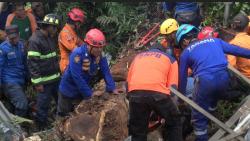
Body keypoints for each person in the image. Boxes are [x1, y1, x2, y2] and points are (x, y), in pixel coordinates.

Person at [176, 24, 250, 141]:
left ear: (184, 41)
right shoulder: (215, 41)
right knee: (212, 98)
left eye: (180, 45)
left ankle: (202, 136)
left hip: (205, 82)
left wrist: (180, 101)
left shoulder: (185, 53)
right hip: (225, 78)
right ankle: (211, 117)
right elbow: (238, 51)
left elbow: (182, 78)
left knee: (198, 117)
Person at [57, 28, 122, 117]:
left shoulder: (99, 54)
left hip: (81, 91)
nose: (99, 50)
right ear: (88, 45)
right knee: (63, 117)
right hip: (68, 91)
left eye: (101, 47)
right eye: (97, 48)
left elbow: (105, 70)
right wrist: (90, 94)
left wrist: (111, 87)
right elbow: (77, 77)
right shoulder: (77, 54)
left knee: (80, 116)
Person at [126, 43, 182, 141]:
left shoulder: (137, 58)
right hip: (158, 94)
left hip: (135, 93)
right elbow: (172, 89)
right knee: (174, 122)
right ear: (163, 51)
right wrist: (169, 110)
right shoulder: (170, 59)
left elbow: (128, 84)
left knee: (138, 131)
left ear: (149, 50)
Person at [27, 14, 60, 130]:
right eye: (54, 27)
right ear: (48, 26)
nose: (56, 30)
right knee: (42, 107)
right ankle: (42, 129)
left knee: (61, 101)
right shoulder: (35, 40)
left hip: (55, 78)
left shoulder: (50, 37)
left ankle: (60, 124)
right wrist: (38, 83)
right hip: (44, 82)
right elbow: (33, 64)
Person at [0, 25, 29, 117]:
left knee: (12, 106)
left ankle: (12, 128)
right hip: (9, 81)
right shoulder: (3, 48)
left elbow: (25, 62)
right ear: (7, 37)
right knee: (22, 105)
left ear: (19, 35)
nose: (13, 40)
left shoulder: (22, 45)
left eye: (15, 38)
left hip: (21, 80)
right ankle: (19, 128)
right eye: (10, 38)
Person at [58, 8, 85, 73]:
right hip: (67, 66)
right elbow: (75, 49)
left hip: (73, 64)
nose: (80, 26)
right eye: (80, 23)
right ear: (76, 22)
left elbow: (81, 43)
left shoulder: (72, 32)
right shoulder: (65, 33)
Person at [227, 13, 250, 78]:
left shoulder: (233, 44)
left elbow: (231, 66)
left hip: (245, 80)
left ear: (232, 26)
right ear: (247, 27)